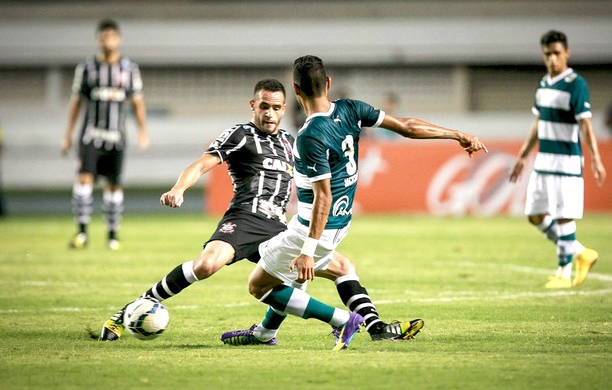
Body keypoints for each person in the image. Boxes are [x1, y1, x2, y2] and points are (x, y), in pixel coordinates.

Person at [100, 78, 424, 345]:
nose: (270, 113)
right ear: (253, 106)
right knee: (207, 265)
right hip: (243, 221)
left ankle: (372, 326)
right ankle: (131, 309)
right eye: (264, 106)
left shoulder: (291, 141)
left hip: (279, 228)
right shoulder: (241, 135)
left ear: (285, 109)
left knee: (341, 266)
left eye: (276, 108)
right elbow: (203, 163)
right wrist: (179, 188)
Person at [221, 55, 487, 350]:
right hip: (340, 223)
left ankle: (341, 320)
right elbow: (408, 125)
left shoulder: (310, 136)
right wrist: (456, 134)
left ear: (296, 91)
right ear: (329, 84)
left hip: (312, 228)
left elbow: (324, 195)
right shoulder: (352, 109)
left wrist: (308, 250)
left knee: (258, 285)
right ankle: (366, 327)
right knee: (341, 267)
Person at [508, 30, 607, 289]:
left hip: (566, 162)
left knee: (564, 217)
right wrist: (522, 155)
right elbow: (539, 122)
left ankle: (563, 273)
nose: (552, 59)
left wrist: (595, 158)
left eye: (557, 53)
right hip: (543, 162)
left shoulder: (576, 84)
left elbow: (585, 124)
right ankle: (582, 253)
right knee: (535, 215)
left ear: (567, 53)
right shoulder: (543, 84)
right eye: (548, 54)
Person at [61, 18, 149, 250]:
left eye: (111, 36)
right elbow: (76, 102)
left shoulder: (129, 69)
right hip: (91, 135)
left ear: (118, 39)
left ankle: (112, 235)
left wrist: (143, 132)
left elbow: (137, 102)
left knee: (113, 185)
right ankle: (81, 233)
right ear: (98, 40)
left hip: (116, 137)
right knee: (84, 179)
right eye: (103, 36)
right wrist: (68, 134)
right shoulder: (87, 68)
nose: (107, 40)